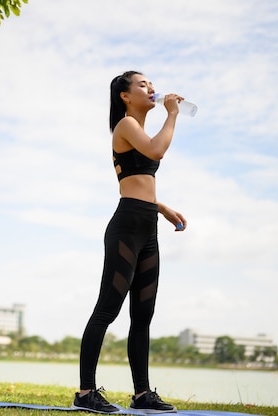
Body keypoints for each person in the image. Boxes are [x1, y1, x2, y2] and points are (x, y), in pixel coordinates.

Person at [71, 70, 187, 414]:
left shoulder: (138, 131)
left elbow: (136, 177)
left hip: (147, 226)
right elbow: (157, 150)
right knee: (108, 308)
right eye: (143, 85)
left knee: (143, 314)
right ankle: (85, 392)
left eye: (151, 84)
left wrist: (161, 207)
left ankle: (141, 395)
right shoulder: (125, 126)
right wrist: (172, 114)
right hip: (126, 227)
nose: (151, 88)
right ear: (125, 95)